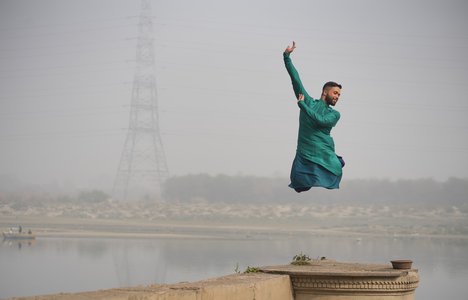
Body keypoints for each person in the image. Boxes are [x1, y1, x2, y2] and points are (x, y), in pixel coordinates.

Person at [283, 41, 345, 193]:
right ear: (325, 92)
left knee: (335, 170)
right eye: (335, 93)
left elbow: (320, 120)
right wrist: (286, 57)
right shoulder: (309, 101)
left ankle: (331, 166)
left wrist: (302, 106)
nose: (337, 97)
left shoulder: (334, 114)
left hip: (323, 153)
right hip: (305, 152)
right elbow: (295, 79)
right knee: (298, 184)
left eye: (339, 95)